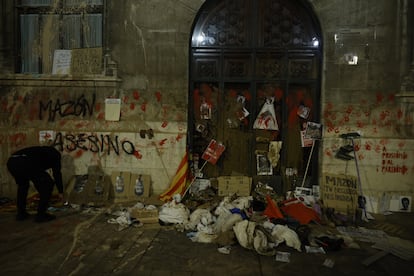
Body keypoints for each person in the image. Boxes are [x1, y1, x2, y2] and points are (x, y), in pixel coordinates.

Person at [7, 146, 64, 222]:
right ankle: (41, 215)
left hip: (12, 162)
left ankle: (21, 214)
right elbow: (57, 174)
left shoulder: (41, 151)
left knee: (23, 186)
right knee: (48, 185)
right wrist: (60, 191)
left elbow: (36, 175)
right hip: (26, 162)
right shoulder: (56, 156)